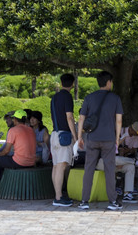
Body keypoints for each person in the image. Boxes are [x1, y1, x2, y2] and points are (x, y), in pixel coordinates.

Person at [77, 71, 124, 211]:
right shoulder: (115, 98)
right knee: (110, 170)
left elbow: (81, 118)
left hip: (92, 139)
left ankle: (84, 201)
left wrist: (79, 137)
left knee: (89, 169)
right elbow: (119, 120)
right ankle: (113, 201)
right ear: (109, 82)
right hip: (108, 139)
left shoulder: (89, 98)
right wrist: (117, 138)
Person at [50, 74, 78, 207]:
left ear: (61, 83)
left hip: (54, 134)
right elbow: (69, 117)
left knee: (56, 166)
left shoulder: (54, 97)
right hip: (64, 136)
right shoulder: (67, 97)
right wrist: (75, 136)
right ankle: (58, 197)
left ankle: (56, 194)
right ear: (72, 84)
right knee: (61, 166)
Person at [0, 110, 37, 179]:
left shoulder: (13, 130)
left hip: (19, 162)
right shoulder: (31, 130)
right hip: (32, 162)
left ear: (15, 119)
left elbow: (6, 151)